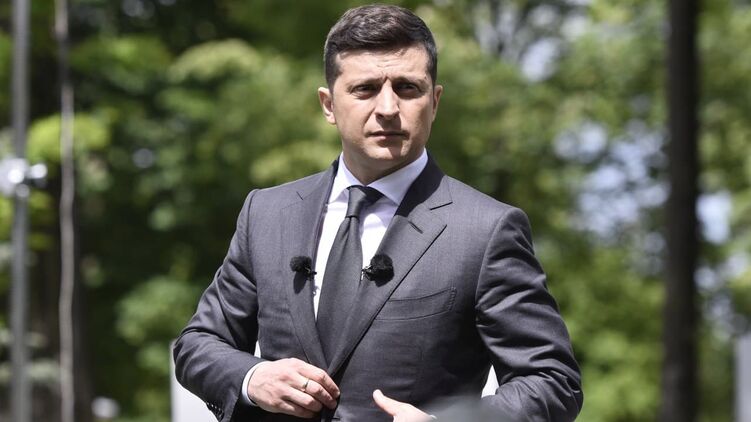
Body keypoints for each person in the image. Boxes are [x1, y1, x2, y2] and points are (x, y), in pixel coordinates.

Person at [173, 4, 583, 422]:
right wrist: (253, 377)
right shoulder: (267, 213)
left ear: (435, 101)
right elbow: (198, 344)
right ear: (328, 104)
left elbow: (552, 381)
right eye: (365, 89)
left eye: (407, 88)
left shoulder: (485, 229)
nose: (388, 107)